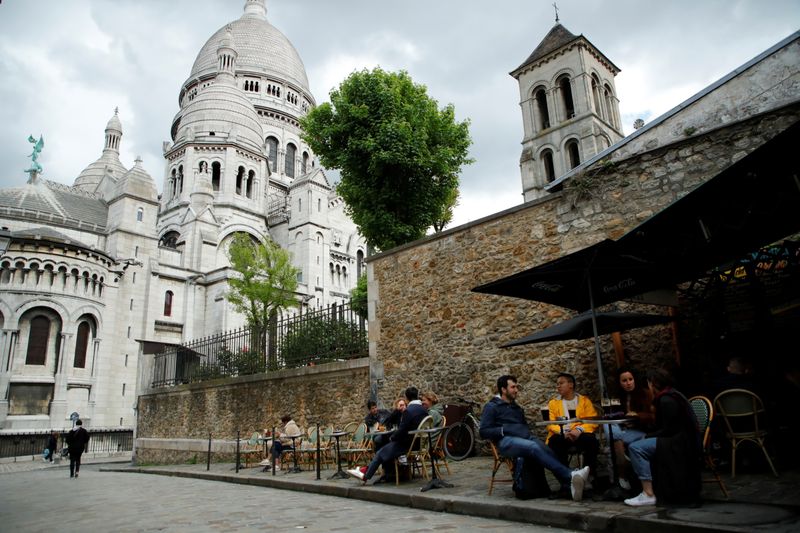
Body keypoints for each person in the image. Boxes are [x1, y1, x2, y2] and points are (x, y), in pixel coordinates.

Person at [479, 375, 590, 501]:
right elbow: (483, 432)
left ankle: (567, 485)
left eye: (516, 387)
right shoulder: (492, 406)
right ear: (503, 389)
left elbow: (523, 425)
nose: (516, 390)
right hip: (505, 441)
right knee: (533, 447)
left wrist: (524, 432)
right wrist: (505, 430)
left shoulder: (516, 407)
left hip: (524, 438)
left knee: (546, 448)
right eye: (513, 387)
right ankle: (570, 475)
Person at [624, 368, 701, 507]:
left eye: (649, 383)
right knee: (635, 440)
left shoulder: (666, 400)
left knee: (635, 447)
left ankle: (648, 493)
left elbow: (668, 430)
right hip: (679, 438)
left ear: (653, 384)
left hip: (678, 442)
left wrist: (647, 436)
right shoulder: (672, 395)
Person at [347, 386, 428, 484]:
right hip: (418, 443)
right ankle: (366, 470)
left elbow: (402, 430)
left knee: (381, 451)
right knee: (384, 449)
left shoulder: (408, 411)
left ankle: (366, 475)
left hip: (407, 444)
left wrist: (392, 437)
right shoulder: (424, 410)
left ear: (406, 398)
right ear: (417, 395)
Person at [545, 373, 600, 480]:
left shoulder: (584, 401)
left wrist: (579, 430)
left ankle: (589, 477)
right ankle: (566, 479)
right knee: (554, 442)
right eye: (557, 384)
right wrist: (563, 432)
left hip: (580, 434)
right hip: (562, 435)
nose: (558, 386)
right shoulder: (553, 403)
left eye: (561, 383)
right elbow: (550, 424)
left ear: (571, 385)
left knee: (592, 441)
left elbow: (593, 420)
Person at [610, 367, 654, 490]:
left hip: (642, 430)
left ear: (635, 380)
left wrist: (638, 415)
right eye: (624, 380)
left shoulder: (645, 394)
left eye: (630, 379)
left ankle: (621, 474)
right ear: (619, 383)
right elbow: (614, 416)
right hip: (624, 430)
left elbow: (654, 416)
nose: (628, 383)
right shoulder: (618, 397)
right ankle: (623, 466)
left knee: (615, 441)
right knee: (609, 427)